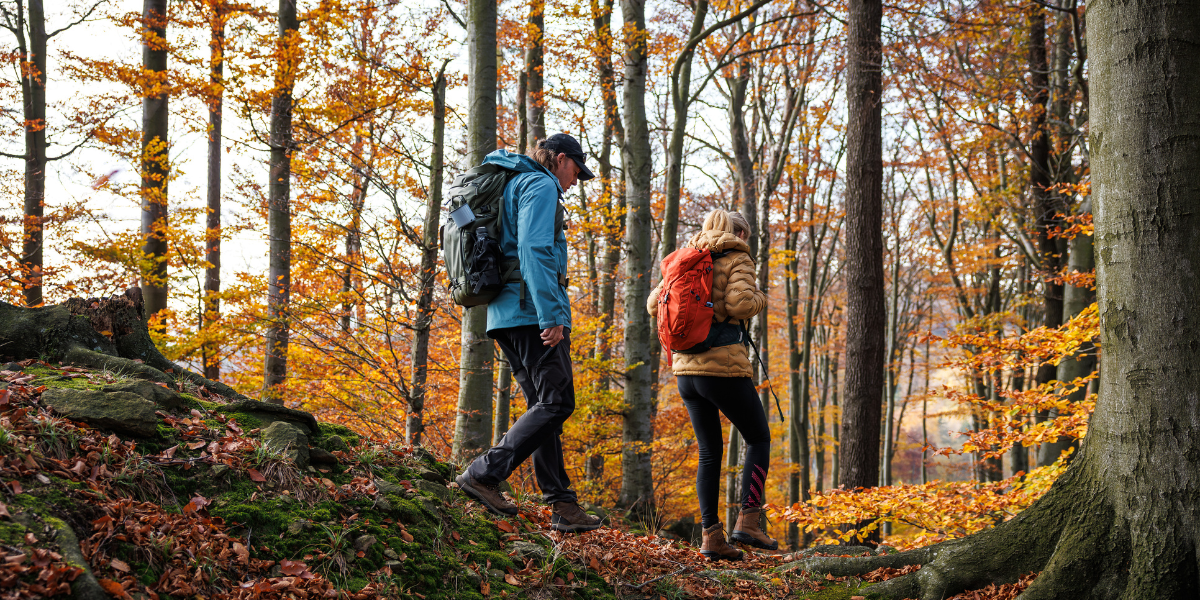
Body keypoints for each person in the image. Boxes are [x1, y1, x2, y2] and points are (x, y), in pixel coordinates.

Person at [455, 133, 603, 533]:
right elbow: (534, 250)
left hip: (505, 313)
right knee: (556, 403)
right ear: (559, 159)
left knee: (544, 408)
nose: (575, 180)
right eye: (575, 170)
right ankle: (484, 474)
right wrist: (551, 314)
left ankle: (563, 505)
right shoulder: (539, 183)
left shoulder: (513, 183)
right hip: (530, 311)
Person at [647, 209, 776, 560]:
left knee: (709, 451)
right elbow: (741, 303)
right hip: (722, 368)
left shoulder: (684, 258)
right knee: (759, 438)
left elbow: (651, 304)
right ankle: (748, 521)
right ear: (741, 234)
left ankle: (711, 537)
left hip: (686, 372)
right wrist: (762, 299)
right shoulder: (738, 258)